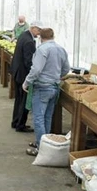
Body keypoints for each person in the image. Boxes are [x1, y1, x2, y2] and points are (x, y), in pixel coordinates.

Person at [24, 28, 70, 156]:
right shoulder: (61, 49)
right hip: (54, 87)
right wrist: (56, 76)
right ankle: (45, 143)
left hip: (42, 87)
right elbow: (66, 69)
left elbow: (36, 69)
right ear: (53, 36)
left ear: (40, 37)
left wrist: (27, 82)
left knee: (38, 118)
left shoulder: (42, 49)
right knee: (47, 117)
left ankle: (41, 148)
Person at [10, 21, 43, 133]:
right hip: (23, 74)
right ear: (33, 28)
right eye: (38, 30)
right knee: (24, 100)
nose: (39, 34)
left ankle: (15, 121)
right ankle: (20, 124)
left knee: (19, 99)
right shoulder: (29, 41)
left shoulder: (23, 35)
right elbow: (28, 61)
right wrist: (32, 76)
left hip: (17, 71)